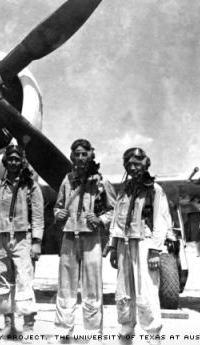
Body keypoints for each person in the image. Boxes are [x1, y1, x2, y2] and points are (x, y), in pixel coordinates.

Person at [51, 139, 116, 339]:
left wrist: (100, 219)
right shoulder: (67, 180)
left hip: (91, 239)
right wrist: (58, 214)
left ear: (90, 156)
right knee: (65, 287)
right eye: (77, 154)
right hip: (69, 237)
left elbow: (114, 210)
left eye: (84, 154)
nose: (80, 158)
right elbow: (58, 205)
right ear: (72, 156)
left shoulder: (101, 182)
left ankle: (93, 333)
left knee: (92, 287)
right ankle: (64, 332)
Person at [107, 148, 169, 345]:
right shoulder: (124, 190)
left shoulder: (155, 190)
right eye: (130, 164)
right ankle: (126, 332)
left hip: (145, 244)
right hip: (124, 244)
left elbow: (161, 219)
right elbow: (116, 219)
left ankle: (153, 337)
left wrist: (155, 250)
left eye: (138, 163)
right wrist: (114, 247)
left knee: (146, 292)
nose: (134, 168)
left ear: (146, 164)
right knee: (123, 292)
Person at [0, 145, 44, 338]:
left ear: (21, 162)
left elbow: (37, 215)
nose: (13, 163)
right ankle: (9, 324)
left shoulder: (31, 186)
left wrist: (36, 241)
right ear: (5, 162)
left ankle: (28, 325)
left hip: (22, 239)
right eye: (10, 159)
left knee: (24, 280)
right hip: (1, 239)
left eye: (17, 159)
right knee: (2, 282)